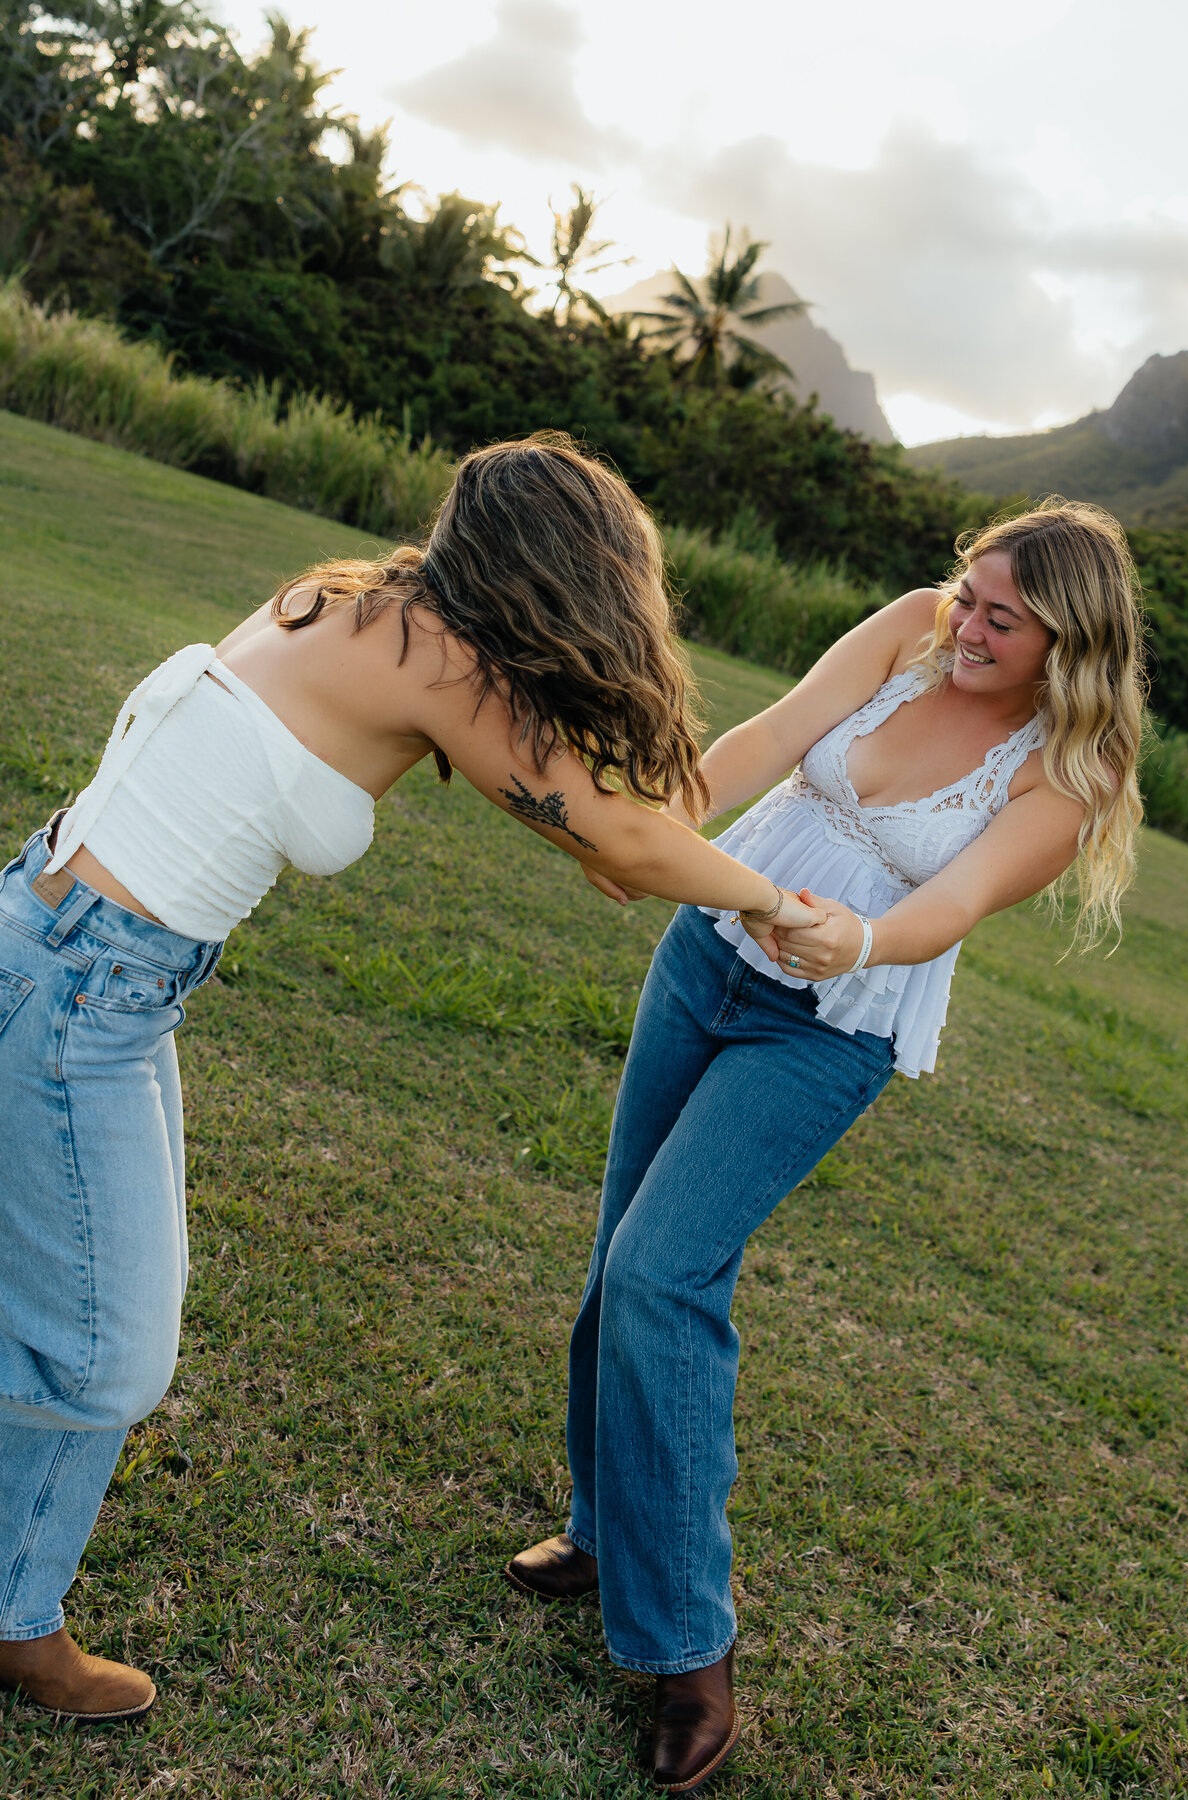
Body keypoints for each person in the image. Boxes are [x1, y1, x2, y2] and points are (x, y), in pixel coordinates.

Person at [0, 435, 820, 1723]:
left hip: (76, 953)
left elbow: (603, 835)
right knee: (106, 1350)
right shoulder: (436, 658)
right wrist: (776, 899)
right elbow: (613, 838)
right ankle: (12, 1616)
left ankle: (13, 1617)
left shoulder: (349, 602)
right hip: (80, 987)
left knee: (88, 1319)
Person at [505, 499, 1146, 1794]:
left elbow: (949, 907)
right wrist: (661, 830)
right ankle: (597, 1529)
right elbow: (775, 737)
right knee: (617, 1252)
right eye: (967, 593)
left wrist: (857, 939)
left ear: (1065, 644)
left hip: (830, 1024)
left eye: (1000, 618)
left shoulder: (1067, 780)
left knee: (664, 1274)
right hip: (708, 957)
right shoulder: (913, 628)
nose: (963, 624)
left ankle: (692, 1652)